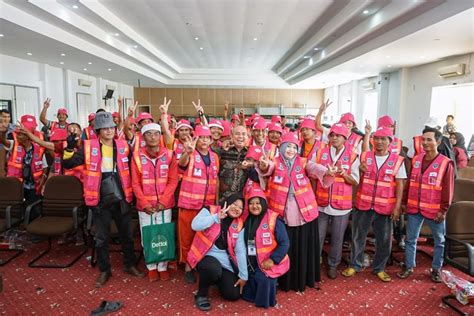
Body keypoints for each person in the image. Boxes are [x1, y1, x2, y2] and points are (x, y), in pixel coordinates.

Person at [62, 112, 144, 287]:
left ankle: (130, 264)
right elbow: (67, 164)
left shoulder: (123, 145)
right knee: (101, 238)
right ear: (98, 130)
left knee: (127, 235)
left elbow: (134, 167)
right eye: (105, 128)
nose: (109, 131)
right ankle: (105, 270)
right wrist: (69, 149)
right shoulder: (88, 146)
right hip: (99, 198)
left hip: (122, 197)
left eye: (111, 128)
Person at [258, 132, 335, 292]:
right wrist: (264, 165)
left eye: (294, 147)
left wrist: (327, 171)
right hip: (282, 214)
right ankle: (284, 279)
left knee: (302, 247)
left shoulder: (303, 161)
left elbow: (314, 168)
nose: (291, 150)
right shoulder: (275, 162)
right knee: (285, 245)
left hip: (303, 213)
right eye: (288, 147)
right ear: (282, 147)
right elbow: (267, 168)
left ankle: (303, 278)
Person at [342, 127, 406, 282]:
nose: (379, 142)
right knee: (358, 237)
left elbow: (400, 185)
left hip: (385, 208)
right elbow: (354, 178)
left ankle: (379, 268)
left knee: (384, 240)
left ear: (390, 142)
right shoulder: (364, 156)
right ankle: (355, 265)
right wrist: (360, 170)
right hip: (363, 204)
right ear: (372, 140)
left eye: (384, 139)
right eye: (377, 138)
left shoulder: (397, 161)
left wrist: (397, 207)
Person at [397, 127, 454, 283]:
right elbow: (409, 183)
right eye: (424, 139)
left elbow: (448, 189)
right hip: (414, 208)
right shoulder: (416, 160)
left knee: (439, 241)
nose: (425, 143)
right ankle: (409, 266)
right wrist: (403, 202)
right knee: (410, 239)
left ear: (439, 142)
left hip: (435, 210)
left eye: (429, 139)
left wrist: (443, 210)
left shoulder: (445, 163)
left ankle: (436, 269)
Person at [131, 123, 178, 282]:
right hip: (145, 207)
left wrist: (163, 202)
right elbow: (135, 183)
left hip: (164, 205)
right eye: (149, 134)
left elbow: (173, 181)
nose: (153, 137)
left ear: (161, 136)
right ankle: (151, 266)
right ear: (143, 137)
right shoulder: (137, 156)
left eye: (156, 134)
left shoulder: (170, 155)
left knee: (163, 234)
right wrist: (144, 204)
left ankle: (163, 266)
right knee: (148, 235)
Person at [188, 194, 248, 311]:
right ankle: (202, 294)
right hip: (205, 256)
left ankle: (215, 279)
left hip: (226, 262)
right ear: (227, 202)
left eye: (240, 208)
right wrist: (216, 217)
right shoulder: (210, 210)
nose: (236, 209)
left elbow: (240, 251)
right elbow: (195, 225)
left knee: (233, 295)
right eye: (234, 204)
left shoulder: (240, 224)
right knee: (212, 269)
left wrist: (243, 276)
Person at [316, 123, 359, 279]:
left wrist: (343, 173)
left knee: (337, 237)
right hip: (321, 202)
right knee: (318, 237)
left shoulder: (353, 155)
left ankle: (333, 265)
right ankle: (315, 263)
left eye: (338, 136)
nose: (334, 138)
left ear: (345, 138)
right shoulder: (321, 151)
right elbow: (311, 171)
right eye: (332, 135)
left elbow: (355, 181)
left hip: (342, 206)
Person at [177, 125, 219, 283]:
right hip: (189, 204)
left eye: (207, 138)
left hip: (206, 206)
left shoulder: (214, 157)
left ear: (210, 140)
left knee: (202, 237)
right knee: (187, 237)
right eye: (200, 137)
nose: (204, 140)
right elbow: (181, 166)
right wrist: (186, 153)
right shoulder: (190, 153)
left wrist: (215, 203)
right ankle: (188, 267)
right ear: (195, 138)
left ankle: (199, 263)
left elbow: (216, 181)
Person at [242, 187, 290, 309]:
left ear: (263, 203)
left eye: (258, 203)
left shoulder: (273, 219)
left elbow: (285, 243)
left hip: (267, 262)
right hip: (250, 262)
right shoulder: (246, 218)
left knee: (263, 280)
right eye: (251, 203)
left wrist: (273, 260)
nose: (254, 206)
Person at [1, 115, 48, 223]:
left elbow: (45, 167)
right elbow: (4, 142)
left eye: (21, 134)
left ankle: (33, 227)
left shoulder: (38, 148)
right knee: (16, 208)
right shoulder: (14, 143)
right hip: (18, 184)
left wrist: (43, 179)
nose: (18, 136)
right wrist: (3, 133)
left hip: (34, 185)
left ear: (28, 136)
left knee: (33, 209)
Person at [216, 125, 249, 204]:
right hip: (223, 199)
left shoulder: (250, 154)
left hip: (242, 201)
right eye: (237, 134)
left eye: (244, 134)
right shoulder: (222, 151)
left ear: (248, 137)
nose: (241, 136)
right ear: (231, 136)